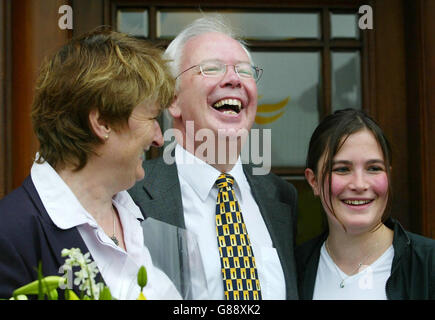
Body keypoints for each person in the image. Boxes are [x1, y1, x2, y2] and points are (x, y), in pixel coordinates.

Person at [0, 27, 181, 300]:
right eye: (151, 118)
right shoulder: (10, 234)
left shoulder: (144, 214)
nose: (158, 138)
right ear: (102, 122)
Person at [128, 15, 298, 300]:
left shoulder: (282, 198)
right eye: (211, 68)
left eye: (245, 71)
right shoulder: (131, 196)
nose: (233, 79)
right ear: (173, 100)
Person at [296, 108, 435, 300]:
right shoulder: (293, 269)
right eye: (342, 169)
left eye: (374, 168)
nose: (360, 184)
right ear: (314, 182)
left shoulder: (428, 264)